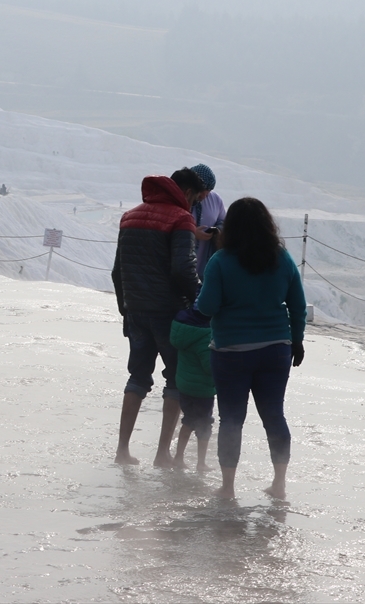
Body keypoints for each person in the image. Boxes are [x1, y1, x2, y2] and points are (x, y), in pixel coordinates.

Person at [194, 197, 306, 500]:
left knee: (232, 418)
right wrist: (297, 341)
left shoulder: (220, 261)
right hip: (276, 349)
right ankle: (279, 483)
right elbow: (297, 306)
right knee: (274, 415)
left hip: (231, 350)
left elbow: (207, 307)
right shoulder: (282, 259)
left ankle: (228, 487)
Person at [110, 167, 205, 467]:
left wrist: (126, 308)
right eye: (196, 199)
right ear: (187, 193)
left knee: (137, 377)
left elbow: (116, 271)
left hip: (136, 310)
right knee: (175, 380)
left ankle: (122, 450)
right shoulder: (181, 219)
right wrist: (201, 301)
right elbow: (183, 270)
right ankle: (163, 454)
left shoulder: (130, 216)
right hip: (169, 312)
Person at [169, 307, 215, 471]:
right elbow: (209, 367)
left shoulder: (183, 330)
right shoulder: (205, 334)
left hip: (185, 385)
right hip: (202, 389)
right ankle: (201, 463)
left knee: (188, 420)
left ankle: (178, 457)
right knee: (204, 424)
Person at [190, 163, 226, 282]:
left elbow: (223, 221)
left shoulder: (215, 199)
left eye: (209, 191)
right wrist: (192, 233)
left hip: (206, 268)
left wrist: (218, 230)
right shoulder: (183, 200)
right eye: (204, 190)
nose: (206, 195)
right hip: (183, 269)